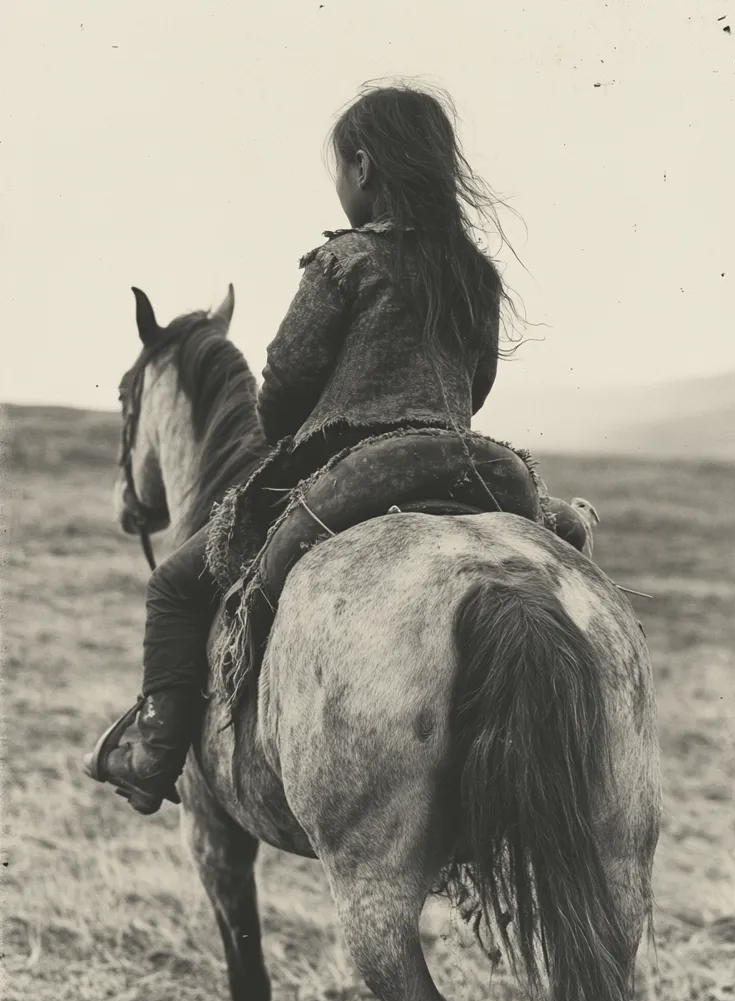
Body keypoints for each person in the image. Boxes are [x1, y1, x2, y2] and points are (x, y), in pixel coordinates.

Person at [83, 82, 529, 815]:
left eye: (339, 168)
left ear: (363, 166)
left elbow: (284, 389)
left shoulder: (345, 261)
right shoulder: (475, 275)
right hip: (470, 467)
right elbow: (476, 386)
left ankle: (154, 754)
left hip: (351, 472)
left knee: (174, 586)